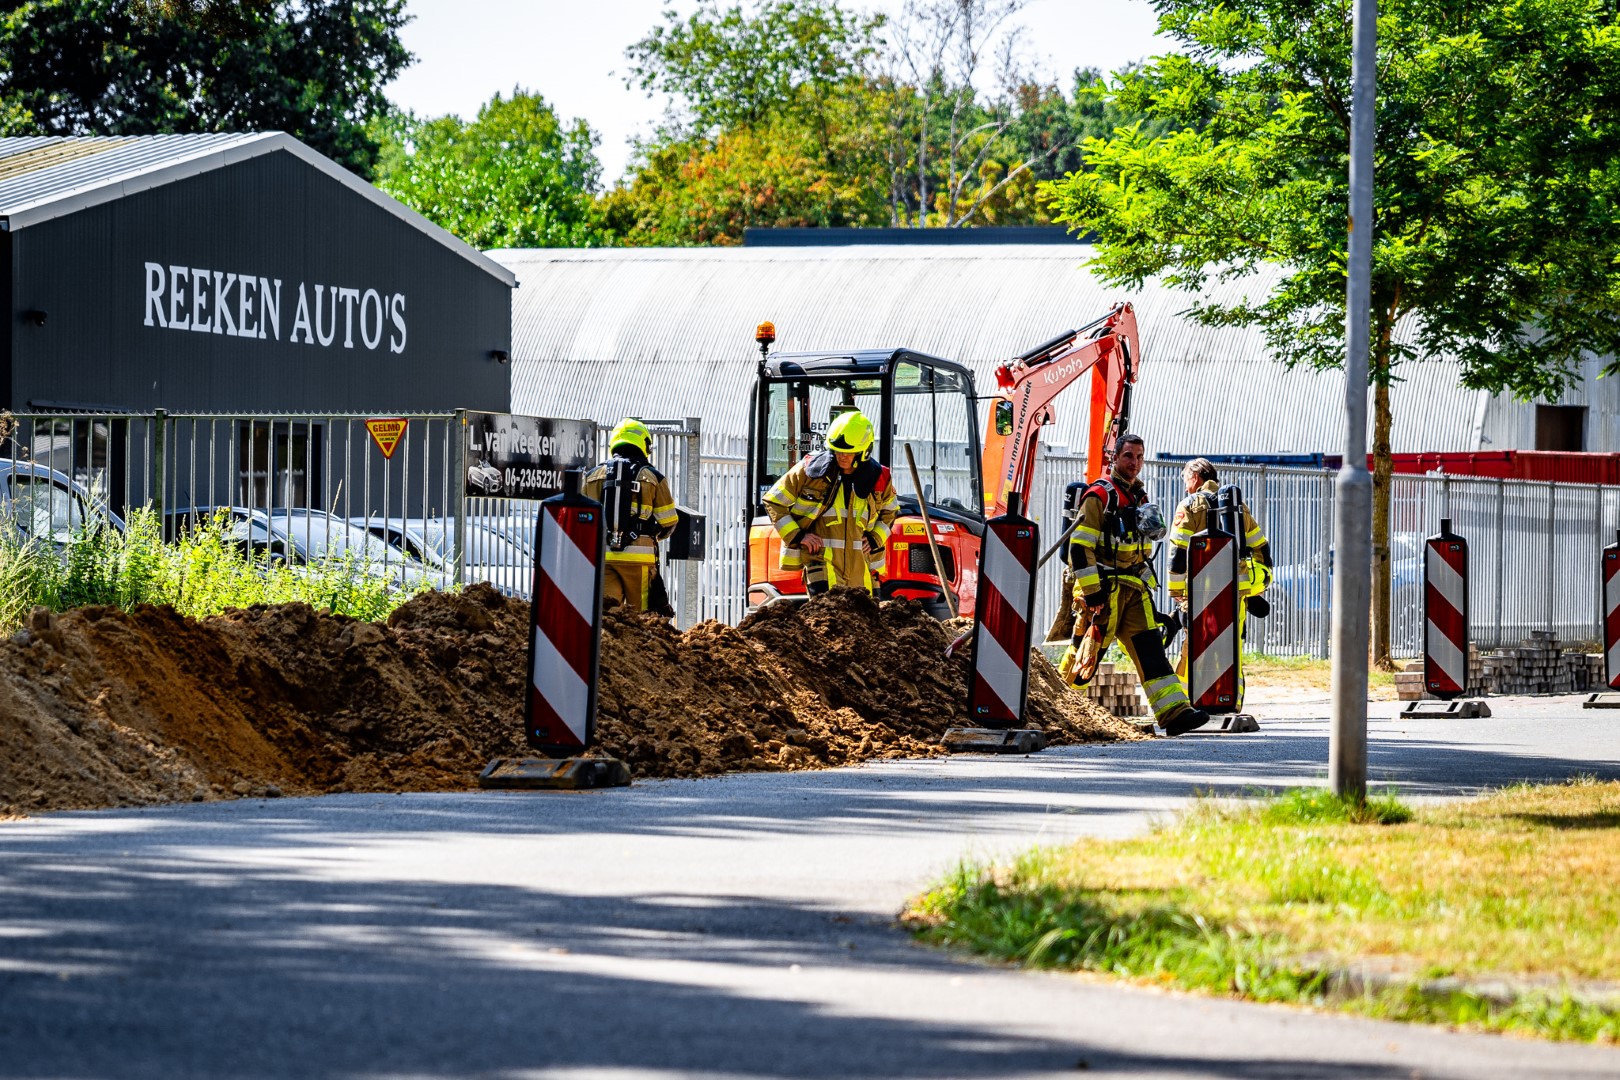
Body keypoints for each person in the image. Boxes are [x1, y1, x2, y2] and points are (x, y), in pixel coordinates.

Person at [1057, 433, 1208, 737]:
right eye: (1129, 456)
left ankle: (1175, 713)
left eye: (1139, 457)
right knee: (1086, 654)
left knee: (1151, 649)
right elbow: (1078, 546)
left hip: (1133, 589)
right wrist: (1092, 591)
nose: (1135, 463)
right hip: (1103, 590)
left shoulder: (1139, 497)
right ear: (1114, 457)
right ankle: (1055, 706)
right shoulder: (1100, 496)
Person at [1167, 457, 1273, 707]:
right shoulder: (1239, 508)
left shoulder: (1189, 506)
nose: (1185, 487)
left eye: (1186, 481)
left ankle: (1186, 702)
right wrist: (1251, 584)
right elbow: (1262, 548)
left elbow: (1178, 553)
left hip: (1200, 591)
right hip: (1234, 592)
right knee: (1230, 647)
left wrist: (1177, 592)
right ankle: (1230, 702)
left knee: (1194, 648)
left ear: (1195, 478)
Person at [763, 409, 897, 596]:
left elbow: (891, 512)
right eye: (838, 451)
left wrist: (876, 538)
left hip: (863, 564)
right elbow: (773, 500)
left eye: (848, 453)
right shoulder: (810, 470)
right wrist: (798, 536)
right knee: (827, 620)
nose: (842, 456)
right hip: (821, 563)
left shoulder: (880, 478)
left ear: (864, 451)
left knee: (866, 622)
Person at [582, 418, 680, 614]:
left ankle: (609, 645)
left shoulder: (592, 476)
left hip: (604, 555)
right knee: (644, 618)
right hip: (640, 559)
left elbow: (584, 518)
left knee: (608, 615)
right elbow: (669, 521)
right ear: (643, 444)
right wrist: (652, 536)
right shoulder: (654, 477)